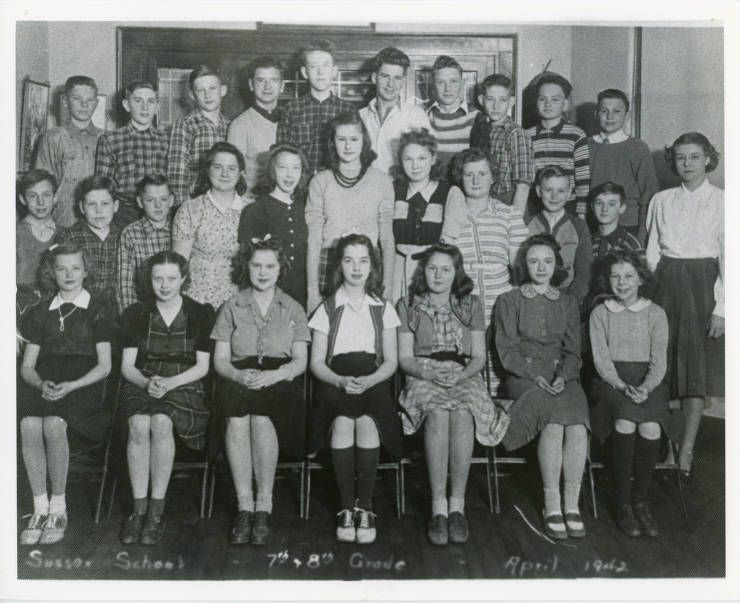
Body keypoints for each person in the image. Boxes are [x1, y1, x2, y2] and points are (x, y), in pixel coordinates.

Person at [397, 243, 508, 546]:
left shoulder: (470, 304)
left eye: (446, 269)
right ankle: (438, 509)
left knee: (462, 412)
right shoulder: (408, 305)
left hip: (463, 372)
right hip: (423, 371)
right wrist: (429, 373)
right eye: (432, 268)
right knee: (437, 412)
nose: (438, 275)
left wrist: (460, 374)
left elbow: (479, 359)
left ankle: (457, 506)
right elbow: (405, 359)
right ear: (423, 270)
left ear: (456, 272)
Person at [212, 238, 309, 546]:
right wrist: (239, 375)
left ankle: (264, 506)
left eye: (270, 266)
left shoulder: (293, 307)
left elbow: (301, 361)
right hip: (240, 377)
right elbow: (220, 361)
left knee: (262, 417)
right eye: (257, 265)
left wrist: (273, 376)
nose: (263, 272)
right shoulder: (232, 305)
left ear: (281, 270)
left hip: (280, 379)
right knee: (238, 418)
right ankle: (244, 506)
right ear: (247, 267)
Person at [308, 234, 401, 544]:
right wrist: (339, 381)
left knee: (367, 423)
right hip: (336, 380)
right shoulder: (328, 308)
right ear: (340, 266)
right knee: (343, 423)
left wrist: (370, 381)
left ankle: (367, 505)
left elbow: (390, 362)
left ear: (372, 266)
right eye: (349, 260)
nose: (356, 267)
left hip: (373, 380)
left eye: (363, 260)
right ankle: (346, 507)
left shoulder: (383, 308)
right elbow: (317, 363)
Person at [495, 234, 589, 540]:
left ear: (556, 265)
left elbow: (574, 352)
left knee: (575, 424)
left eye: (547, 261)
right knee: (552, 422)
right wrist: (533, 373)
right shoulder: (509, 300)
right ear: (524, 264)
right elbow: (507, 351)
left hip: (563, 377)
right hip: (523, 377)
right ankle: (552, 505)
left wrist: (564, 375)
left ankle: (571, 504)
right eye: (534, 261)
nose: (541, 267)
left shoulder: (568, 302)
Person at [18, 243, 113, 545]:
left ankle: (59, 508)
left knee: (54, 423)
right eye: (61, 268)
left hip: (83, 386)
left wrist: (73, 385)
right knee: (28, 423)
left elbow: (105, 366)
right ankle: (39, 508)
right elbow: (28, 367)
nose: (69, 274)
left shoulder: (98, 308)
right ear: (51, 272)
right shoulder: (39, 312)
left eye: (75, 268)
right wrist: (40, 383)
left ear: (86, 271)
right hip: (47, 382)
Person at [118, 251, 214, 546]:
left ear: (183, 278)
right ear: (149, 280)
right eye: (158, 278)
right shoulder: (135, 313)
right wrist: (148, 382)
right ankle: (138, 510)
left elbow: (202, 366)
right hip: (144, 378)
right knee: (137, 424)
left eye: (171, 278)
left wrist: (170, 383)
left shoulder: (201, 313)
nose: (164, 284)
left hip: (184, 382)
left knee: (160, 421)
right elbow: (127, 366)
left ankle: (156, 511)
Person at [645, 132, 724, 478]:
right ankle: (663, 442)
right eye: (680, 158)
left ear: (708, 158)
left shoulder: (724, 202)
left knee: (694, 371)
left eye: (694, 157)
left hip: (703, 286)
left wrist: (722, 307)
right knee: (660, 366)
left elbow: (730, 259)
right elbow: (651, 254)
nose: (687, 164)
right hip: (666, 284)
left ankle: (687, 449)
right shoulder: (661, 200)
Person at [589, 249, 682, 537]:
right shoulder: (600, 312)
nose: (622, 282)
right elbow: (601, 361)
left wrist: (645, 387)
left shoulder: (655, 313)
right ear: (608, 281)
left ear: (641, 278)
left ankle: (640, 500)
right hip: (611, 383)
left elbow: (659, 363)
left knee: (651, 426)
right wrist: (620, 385)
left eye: (629, 276)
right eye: (615, 277)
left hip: (648, 381)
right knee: (625, 422)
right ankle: (622, 501)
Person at [441, 147, 528, 394]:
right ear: (460, 178)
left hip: (500, 303)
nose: (476, 180)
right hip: (461, 305)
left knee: (502, 374)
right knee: (466, 377)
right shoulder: (450, 216)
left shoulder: (509, 214)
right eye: (469, 175)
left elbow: (521, 270)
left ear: (493, 177)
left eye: (482, 173)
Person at [305, 112, 395, 312]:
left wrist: (387, 286)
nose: (348, 146)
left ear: (364, 141)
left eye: (354, 139)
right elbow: (314, 240)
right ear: (332, 142)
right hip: (329, 265)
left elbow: (387, 239)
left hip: (367, 265)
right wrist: (312, 291)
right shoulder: (320, 181)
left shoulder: (382, 181)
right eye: (341, 139)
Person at [172, 141, 252, 309]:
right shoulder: (191, 209)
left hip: (239, 302)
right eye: (217, 167)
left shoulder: (251, 210)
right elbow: (179, 264)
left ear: (240, 173)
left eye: (231, 168)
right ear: (207, 170)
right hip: (197, 301)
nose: (225, 174)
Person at [391, 128, 464, 302]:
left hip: (432, 273)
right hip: (396, 273)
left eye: (422, 158)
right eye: (408, 159)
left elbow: (449, 244)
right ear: (400, 161)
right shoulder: (392, 191)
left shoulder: (449, 193)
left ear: (432, 159)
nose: (415, 166)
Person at [238, 144, 310, 308]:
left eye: (296, 168)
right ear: (272, 170)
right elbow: (246, 263)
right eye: (282, 167)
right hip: (267, 296)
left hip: (302, 295)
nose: (289, 174)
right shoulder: (256, 210)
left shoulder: (307, 207)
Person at [275, 39, 356, 175]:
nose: (320, 72)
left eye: (325, 65)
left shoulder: (348, 110)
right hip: (300, 185)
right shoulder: (291, 110)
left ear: (334, 71)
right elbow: (282, 154)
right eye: (313, 66)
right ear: (304, 72)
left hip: (337, 184)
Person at [96, 79, 169, 227]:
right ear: (127, 105)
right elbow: (103, 186)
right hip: (125, 213)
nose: (145, 107)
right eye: (138, 101)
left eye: (150, 101)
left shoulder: (167, 139)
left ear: (157, 107)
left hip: (159, 210)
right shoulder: (110, 139)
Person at [588, 88, 658, 243]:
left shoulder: (637, 147)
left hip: (628, 224)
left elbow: (649, 193)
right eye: (604, 110)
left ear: (627, 116)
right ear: (596, 114)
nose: (610, 116)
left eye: (617, 111)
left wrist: (642, 233)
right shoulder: (585, 146)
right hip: (592, 225)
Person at [35, 75, 103, 227]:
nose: (84, 104)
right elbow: (41, 186)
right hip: (65, 221)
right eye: (77, 99)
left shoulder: (105, 138)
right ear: (65, 101)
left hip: (99, 221)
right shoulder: (53, 138)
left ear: (96, 103)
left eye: (90, 100)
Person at [525, 73, 589, 220]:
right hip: (535, 206)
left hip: (568, 206)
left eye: (555, 99)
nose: (548, 104)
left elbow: (583, 180)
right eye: (542, 99)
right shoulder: (526, 135)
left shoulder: (577, 135)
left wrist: (581, 213)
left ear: (565, 104)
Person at [359, 47, 431, 173]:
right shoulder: (360, 117)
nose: (390, 84)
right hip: (366, 189)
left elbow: (426, 162)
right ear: (374, 78)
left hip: (401, 190)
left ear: (403, 81)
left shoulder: (416, 117)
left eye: (397, 78)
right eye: (385, 76)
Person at [469, 74, 534, 212]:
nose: (496, 106)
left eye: (502, 100)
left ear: (511, 101)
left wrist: (514, 223)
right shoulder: (479, 130)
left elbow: (523, 185)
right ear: (481, 100)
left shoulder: (516, 134)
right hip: (483, 203)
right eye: (491, 99)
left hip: (508, 203)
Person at [527, 166, 592, 305]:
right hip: (532, 299)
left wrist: (570, 303)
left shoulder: (579, 226)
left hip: (567, 298)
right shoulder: (526, 224)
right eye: (548, 190)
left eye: (561, 191)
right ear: (539, 191)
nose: (554, 196)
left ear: (569, 193)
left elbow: (584, 274)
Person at [54, 175, 121, 307]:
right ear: (81, 207)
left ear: (115, 206)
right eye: (92, 204)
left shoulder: (124, 236)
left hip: (115, 310)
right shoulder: (69, 237)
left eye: (105, 203)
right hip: (78, 307)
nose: (99, 210)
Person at [168, 65, 229, 207]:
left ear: (223, 90)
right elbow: (177, 171)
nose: (207, 95)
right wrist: (182, 209)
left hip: (225, 201)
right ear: (192, 95)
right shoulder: (186, 124)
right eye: (201, 90)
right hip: (196, 202)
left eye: (212, 88)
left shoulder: (231, 125)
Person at [116, 174, 174, 313]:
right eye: (150, 200)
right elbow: (125, 284)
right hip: (144, 307)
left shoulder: (180, 229)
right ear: (140, 202)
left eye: (163, 199)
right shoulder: (130, 233)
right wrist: (130, 317)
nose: (158, 205)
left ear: (171, 200)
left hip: (176, 307)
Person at [228, 57, 284, 197]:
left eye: (273, 80)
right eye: (261, 80)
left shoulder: (292, 120)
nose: (267, 86)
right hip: (253, 205)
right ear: (251, 85)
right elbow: (233, 175)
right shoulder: (239, 125)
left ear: (282, 86)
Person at [426, 56, 479, 176]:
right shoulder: (424, 116)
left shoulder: (476, 117)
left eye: (453, 81)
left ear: (462, 83)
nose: (447, 88)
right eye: (441, 82)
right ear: (433, 84)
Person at [17, 169, 58, 293]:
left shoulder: (66, 234)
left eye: (46, 195)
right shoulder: (14, 232)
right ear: (23, 199)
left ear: (55, 197)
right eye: (33, 196)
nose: (40, 202)